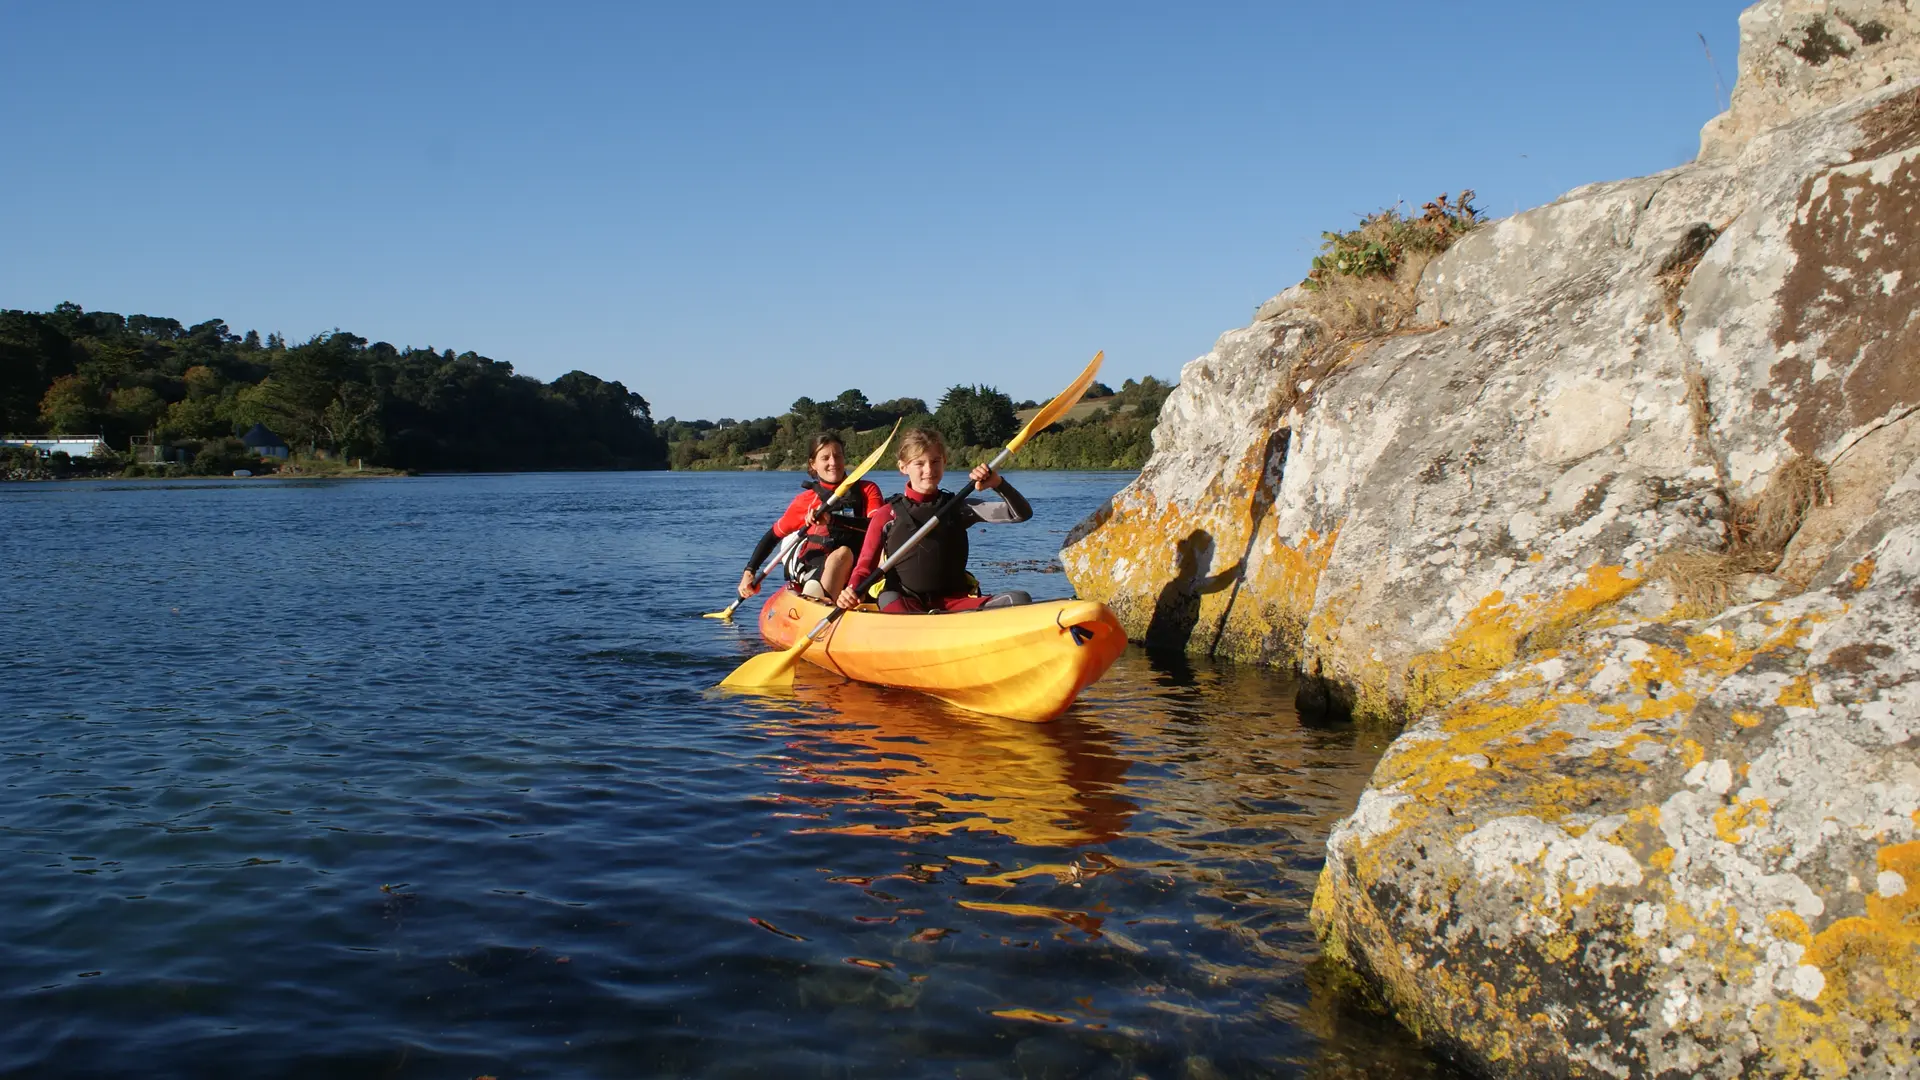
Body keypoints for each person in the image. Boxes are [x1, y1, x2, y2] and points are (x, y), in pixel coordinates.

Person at [835, 427, 1033, 613]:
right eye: (919, 463)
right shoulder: (887, 515)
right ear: (903, 467)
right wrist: (853, 590)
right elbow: (865, 566)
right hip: (904, 601)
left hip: (954, 602)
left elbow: (1021, 514)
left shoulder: (960, 507)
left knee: (1019, 599)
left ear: (944, 461)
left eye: (935, 461)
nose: (929, 469)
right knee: (889, 599)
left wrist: (998, 484)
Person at [739, 433, 884, 601]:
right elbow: (773, 536)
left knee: (852, 554)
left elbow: (877, 527)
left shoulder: (867, 490)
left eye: (838, 456)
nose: (833, 462)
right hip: (818, 564)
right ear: (813, 464)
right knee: (841, 555)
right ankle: (821, 599)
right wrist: (749, 571)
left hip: (861, 564)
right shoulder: (805, 501)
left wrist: (832, 520)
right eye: (825, 458)